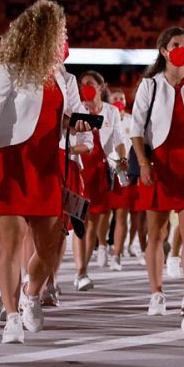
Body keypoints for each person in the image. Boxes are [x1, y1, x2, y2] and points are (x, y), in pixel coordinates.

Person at [0, 0, 87, 345]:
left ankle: (31, 292)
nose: (55, 41)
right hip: (11, 160)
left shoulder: (63, 77)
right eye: (51, 34)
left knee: (52, 243)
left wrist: (77, 123)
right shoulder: (9, 69)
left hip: (47, 164)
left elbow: (65, 118)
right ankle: (12, 316)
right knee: (10, 244)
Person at [130, 27, 184, 318]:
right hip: (158, 162)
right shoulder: (151, 84)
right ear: (163, 50)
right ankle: (156, 293)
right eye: (175, 44)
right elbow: (135, 128)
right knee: (155, 233)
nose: (181, 48)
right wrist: (144, 164)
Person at [69, 71, 124, 292]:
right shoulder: (76, 108)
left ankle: (84, 268)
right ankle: (80, 271)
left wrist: (122, 163)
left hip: (101, 171)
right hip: (80, 168)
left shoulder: (111, 112)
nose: (85, 88)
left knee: (93, 224)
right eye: (82, 84)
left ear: (102, 87)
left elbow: (118, 139)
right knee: (78, 221)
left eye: (90, 84)